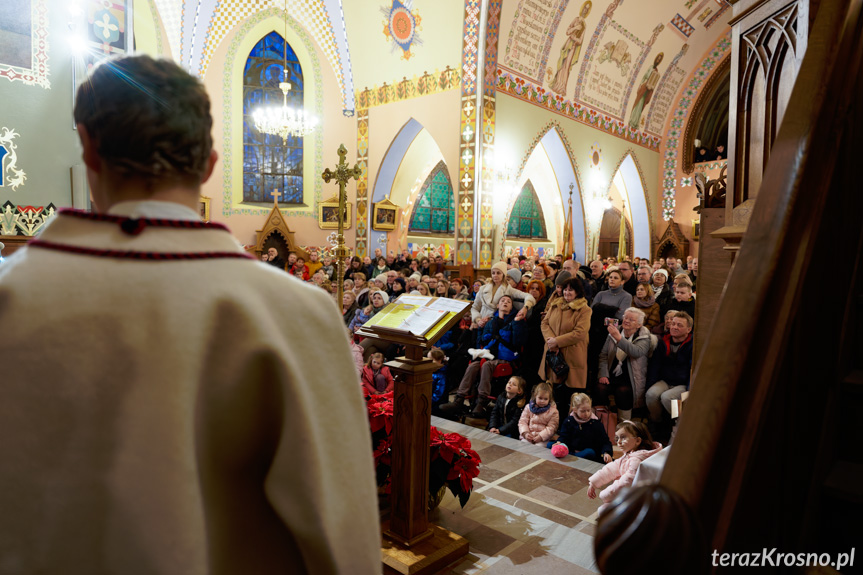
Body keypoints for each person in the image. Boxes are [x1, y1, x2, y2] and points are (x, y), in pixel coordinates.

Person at [0, 54, 380, 574]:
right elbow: (343, 539)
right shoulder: (300, 313)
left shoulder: (9, 297)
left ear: (87, 146)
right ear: (208, 165)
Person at [442, 295, 526, 418]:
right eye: (502, 300)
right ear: (498, 305)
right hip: (489, 355)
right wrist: (481, 328)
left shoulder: (516, 320)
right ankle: (459, 400)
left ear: (512, 306)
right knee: (473, 366)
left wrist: (517, 323)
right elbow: (481, 341)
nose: (505, 303)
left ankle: (482, 401)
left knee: (487, 365)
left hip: (506, 358)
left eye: (509, 301)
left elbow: (519, 342)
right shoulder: (491, 321)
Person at [540, 277, 592, 416]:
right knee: (553, 392)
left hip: (572, 354)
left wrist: (557, 342)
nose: (567, 292)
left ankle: (565, 427)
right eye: (565, 289)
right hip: (553, 352)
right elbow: (545, 324)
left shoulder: (584, 309)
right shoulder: (555, 304)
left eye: (571, 290)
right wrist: (551, 341)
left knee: (568, 395)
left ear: (577, 292)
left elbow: (580, 333)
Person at [588, 421, 662, 513]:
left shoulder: (636, 460)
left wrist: (606, 494)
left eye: (623, 437)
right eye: (617, 438)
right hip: (631, 495)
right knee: (605, 511)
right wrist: (594, 482)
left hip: (638, 498)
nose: (618, 442)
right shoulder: (630, 454)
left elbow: (626, 483)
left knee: (604, 512)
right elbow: (611, 468)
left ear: (638, 441)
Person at [595, 307, 652, 422]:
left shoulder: (644, 337)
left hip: (631, 379)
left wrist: (618, 337)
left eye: (631, 319)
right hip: (612, 374)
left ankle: (624, 424)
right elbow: (604, 355)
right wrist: (603, 374)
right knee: (599, 388)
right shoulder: (615, 332)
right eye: (625, 317)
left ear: (639, 325)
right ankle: (603, 422)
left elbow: (636, 352)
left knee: (623, 392)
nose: (626, 320)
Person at [645, 311, 694, 442]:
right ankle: (658, 424)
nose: (674, 327)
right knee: (651, 395)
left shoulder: (692, 345)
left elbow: (692, 369)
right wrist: (650, 384)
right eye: (673, 324)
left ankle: (676, 425)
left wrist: (690, 390)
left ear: (688, 329)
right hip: (665, 380)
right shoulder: (663, 342)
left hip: (682, 383)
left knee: (667, 398)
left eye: (679, 325)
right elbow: (654, 366)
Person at [551, 393, 613, 463]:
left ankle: (571, 458)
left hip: (588, 453)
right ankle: (572, 457)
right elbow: (564, 436)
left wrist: (606, 453)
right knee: (550, 445)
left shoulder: (596, 423)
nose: (586, 413)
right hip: (572, 450)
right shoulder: (568, 421)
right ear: (575, 410)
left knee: (589, 452)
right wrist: (559, 442)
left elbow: (605, 441)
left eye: (588, 410)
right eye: (583, 411)